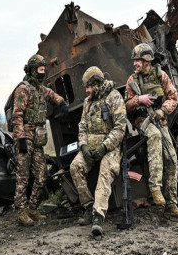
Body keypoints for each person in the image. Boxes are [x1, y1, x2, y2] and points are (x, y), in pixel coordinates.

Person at [124, 43, 178, 217]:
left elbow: (173, 97)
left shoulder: (161, 75)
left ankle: (172, 203)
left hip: (159, 120)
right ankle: (155, 187)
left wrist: (163, 110)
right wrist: (138, 100)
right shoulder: (132, 81)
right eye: (134, 60)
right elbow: (126, 106)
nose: (135, 64)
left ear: (147, 61)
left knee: (172, 158)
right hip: (143, 122)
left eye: (138, 60)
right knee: (155, 136)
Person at [70, 66, 127, 237]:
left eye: (88, 86)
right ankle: (88, 207)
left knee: (105, 170)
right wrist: (84, 146)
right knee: (75, 167)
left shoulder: (114, 97)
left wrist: (104, 146)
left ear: (96, 83)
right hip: (91, 148)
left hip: (110, 148)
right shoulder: (87, 103)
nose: (86, 91)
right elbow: (82, 128)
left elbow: (120, 128)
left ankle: (98, 216)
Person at [12, 54, 69, 226]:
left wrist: (61, 103)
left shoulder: (41, 89)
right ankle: (22, 212)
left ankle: (33, 208)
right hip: (25, 138)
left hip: (37, 139)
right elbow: (17, 115)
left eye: (44, 70)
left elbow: (53, 95)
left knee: (42, 175)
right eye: (40, 69)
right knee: (22, 176)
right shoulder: (23, 89)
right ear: (32, 70)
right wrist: (20, 138)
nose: (43, 73)